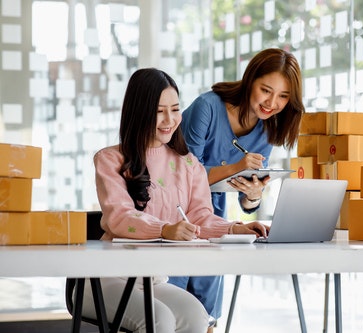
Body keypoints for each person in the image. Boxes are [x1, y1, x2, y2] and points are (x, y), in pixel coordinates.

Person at [81, 68, 269, 333]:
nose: (169, 120)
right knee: (160, 320)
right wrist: (165, 230)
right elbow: (119, 217)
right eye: (159, 111)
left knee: (197, 317)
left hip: (153, 281)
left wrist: (236, 228)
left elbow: (200, 219)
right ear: (139, 111)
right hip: (107, 277)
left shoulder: (190, 164)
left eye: (175, 109)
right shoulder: (110, 160)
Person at [171, 48, 305, 326]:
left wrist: (254, 195)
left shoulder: (267, 129)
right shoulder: (208, 107)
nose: (272, 102)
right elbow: (185, 176)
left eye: (283, 96)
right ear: (250, 80)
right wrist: (236, 166)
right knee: (173, 303)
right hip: (175, 212)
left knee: (207, 310)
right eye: (266, 90)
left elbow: (247, 201)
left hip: (215, 216)